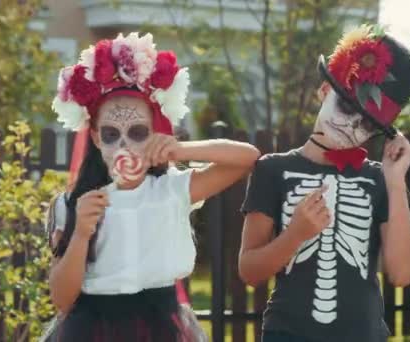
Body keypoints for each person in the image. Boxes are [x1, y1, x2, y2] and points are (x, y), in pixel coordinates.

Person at [47, 32, 260, 342]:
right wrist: (81, 233)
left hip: (164, 327)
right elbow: (62, 299)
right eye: (110, 134)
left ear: (154, 131)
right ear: (94, 137)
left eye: (137, 132)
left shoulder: (172, 189)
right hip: (91, 328)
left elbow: (247, 158)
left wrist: (182, 150)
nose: (124, 145)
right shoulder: (72, 204)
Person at [238, 24, 410, 342]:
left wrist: (395, 183)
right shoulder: (272, 170)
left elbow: (404, 274)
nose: (350, 125)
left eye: (367, 124)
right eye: (347, 106)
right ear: (324, 91)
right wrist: (295, 234)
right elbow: (249, 272)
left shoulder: (380, 179)